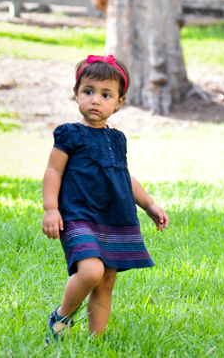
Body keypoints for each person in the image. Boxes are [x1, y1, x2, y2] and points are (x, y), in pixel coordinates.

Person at [41, 55, 168, 342]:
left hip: (113, 217)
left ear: (119, 102)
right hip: (78, 215)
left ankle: (96, 339)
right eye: (88, 92)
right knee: (91, 271)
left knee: (106, 280)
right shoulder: (69, 135)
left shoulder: (117, 139)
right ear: (76, 94)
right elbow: (53, 171)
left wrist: (148, 204)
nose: (95, 100)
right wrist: (50, 208)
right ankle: (61, 317)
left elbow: (123, 176)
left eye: (105, 94)